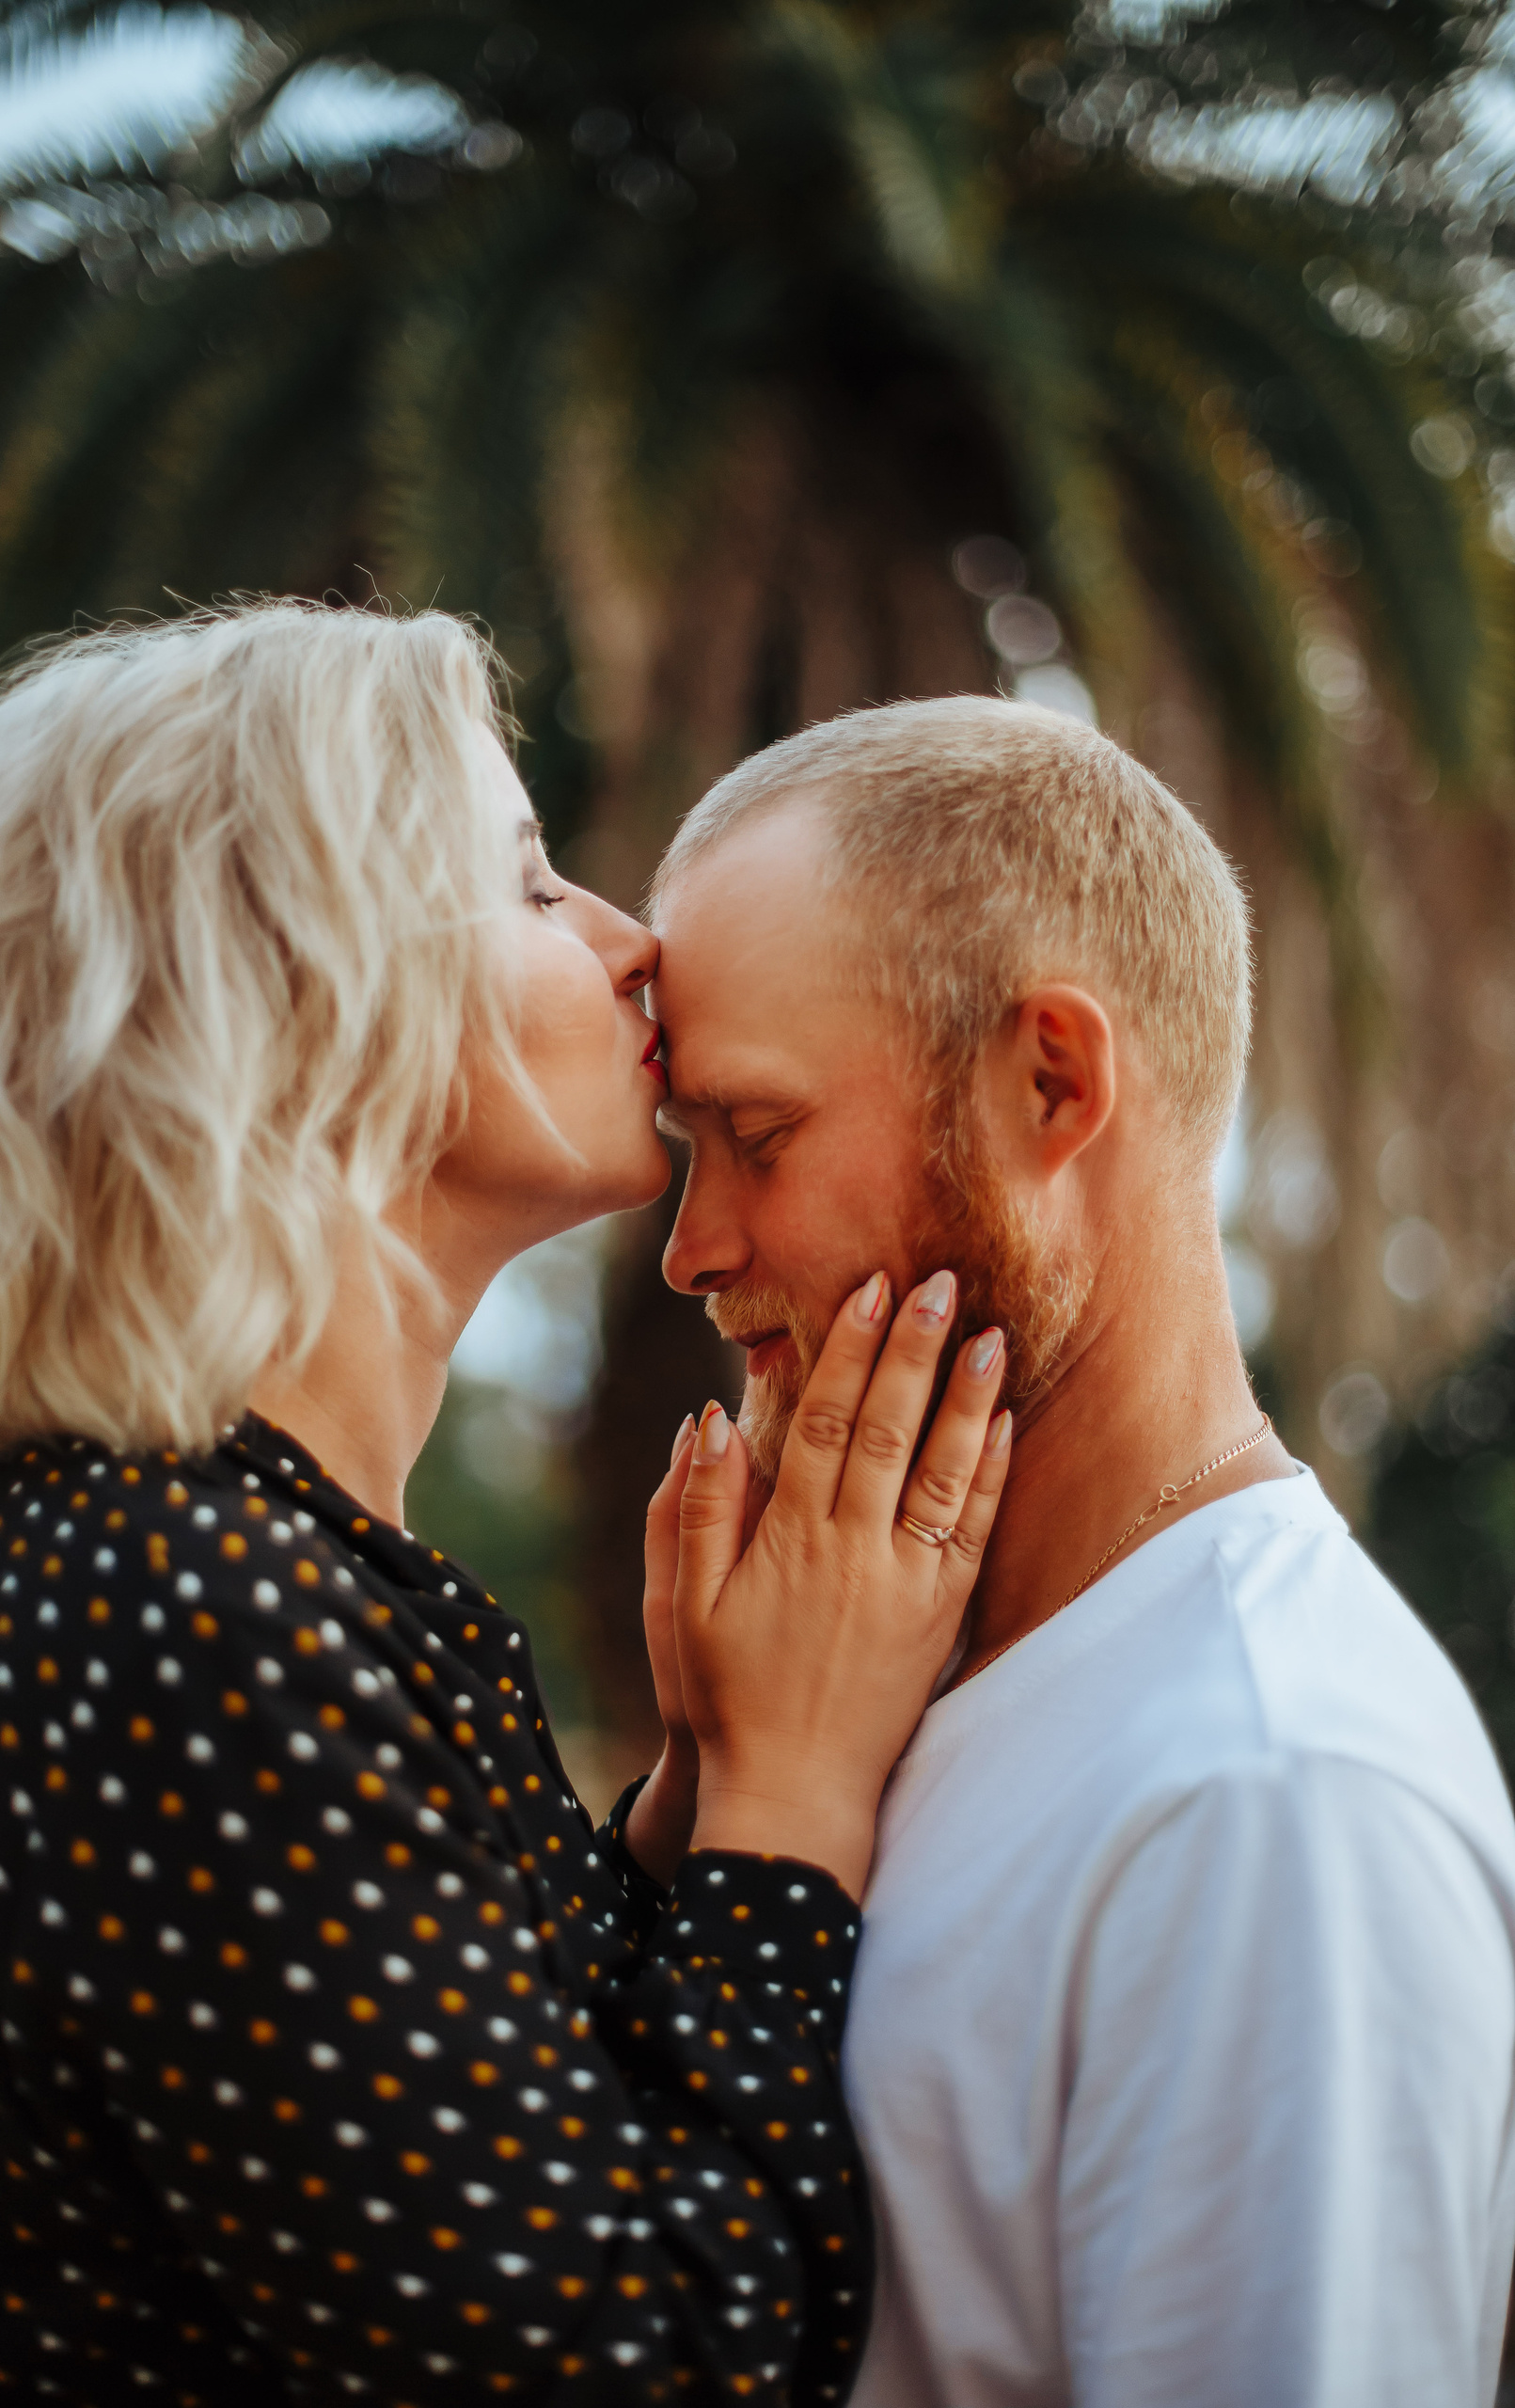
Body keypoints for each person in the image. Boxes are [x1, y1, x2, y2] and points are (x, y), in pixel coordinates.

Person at [0, 605, 1014, 2406]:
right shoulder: (168, 1598)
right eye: (524, 886)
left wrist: (692, 1794)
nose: (629, 938)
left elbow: (489, 2115)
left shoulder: (223, 1560)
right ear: (295, 989)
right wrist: (797, 1797)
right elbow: (629, 2358)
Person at [647, 693, 1515, 2408]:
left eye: (758, 1138)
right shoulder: (870, 1678)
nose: (692, 1246)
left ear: (1054, 1081)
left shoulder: (1269, 1787)